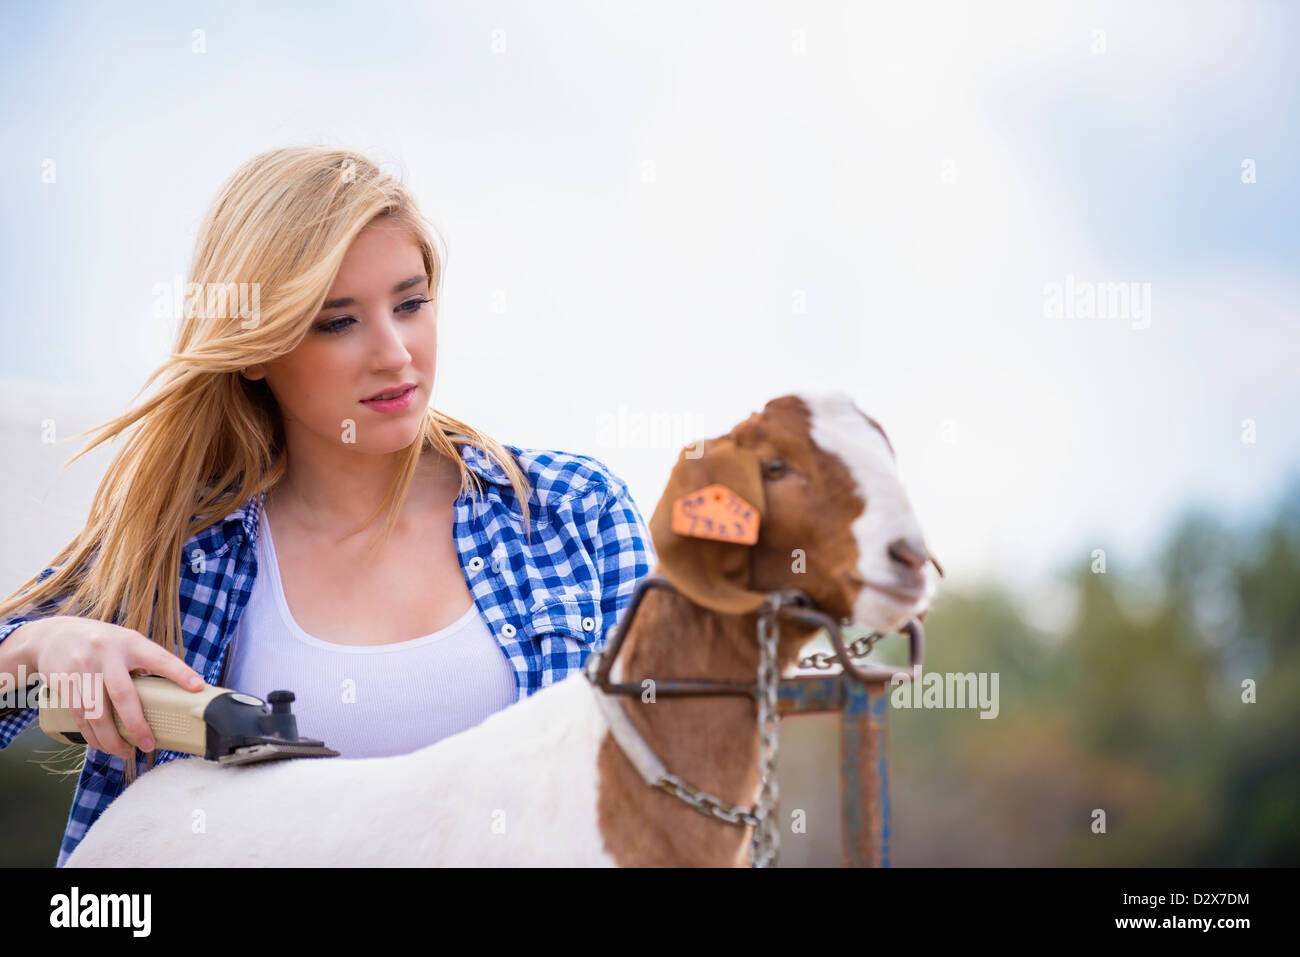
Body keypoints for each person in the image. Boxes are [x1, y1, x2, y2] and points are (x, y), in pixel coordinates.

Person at [0, 146, 656, 867]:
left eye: (410, 304)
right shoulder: (181, 548)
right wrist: (34, 653)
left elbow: (679, 786)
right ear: (255, 348)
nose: (395, 353)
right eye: (337, 321)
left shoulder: (576, 513)